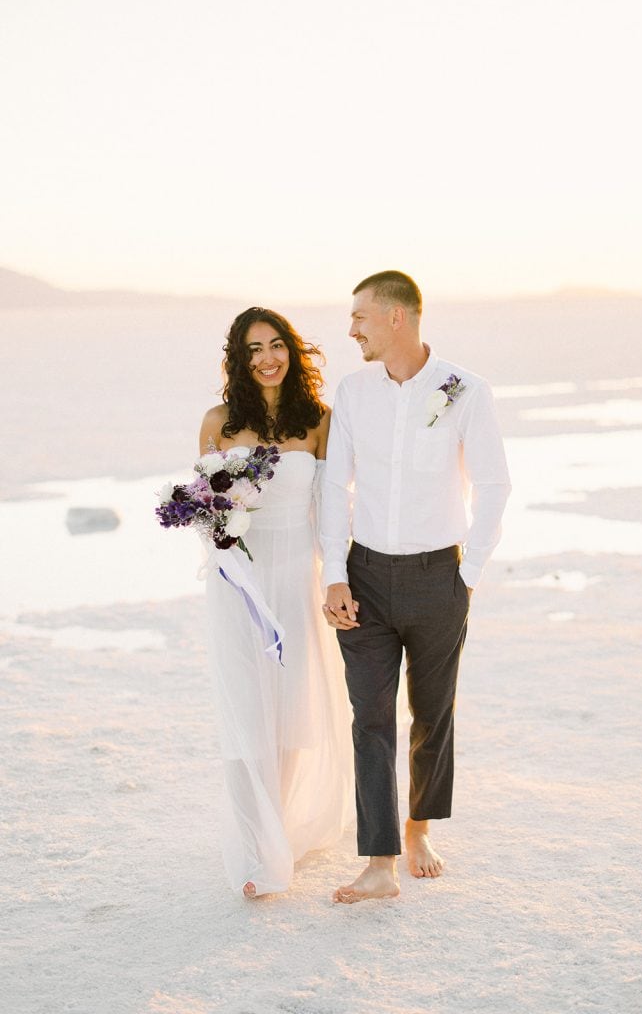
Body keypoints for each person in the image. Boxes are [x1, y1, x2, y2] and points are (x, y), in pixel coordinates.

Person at [320, 271, 511, 904]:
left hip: (439, 577)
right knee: (369, 719)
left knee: (432, 714)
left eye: (360, 318)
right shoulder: (352, 392)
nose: (351, 330)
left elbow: (492, 486)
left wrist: (470, 573)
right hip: (366, 578)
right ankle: (380, 862)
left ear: (397, 317)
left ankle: (419, 829)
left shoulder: (465, 390)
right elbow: (333, 487)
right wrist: (335, 575)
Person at [199, 306, 353, 898]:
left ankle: (277, 832)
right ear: (238, 358)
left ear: (292, 350)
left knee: (289, 711)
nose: (267, 358)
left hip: (294, 575)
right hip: (236, 581)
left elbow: (334, 510)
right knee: (245, 710)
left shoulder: (318, 422)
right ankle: (253, 848)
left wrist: (336, 577)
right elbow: (205, 504)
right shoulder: (217, 421)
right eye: (254, 348)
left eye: (277, 345)